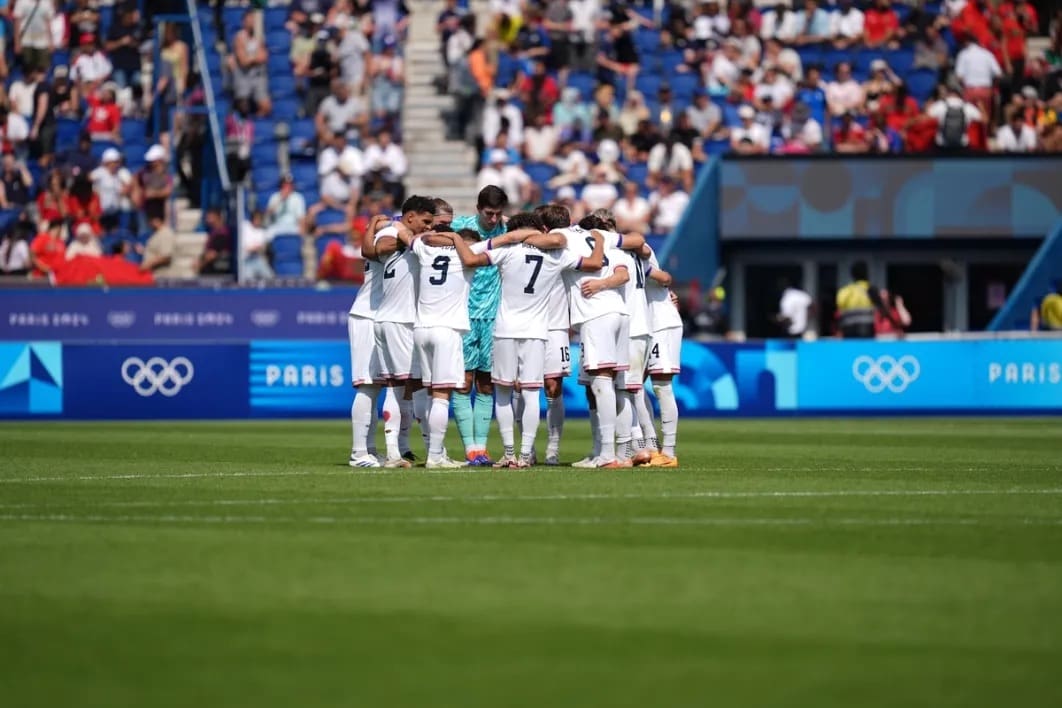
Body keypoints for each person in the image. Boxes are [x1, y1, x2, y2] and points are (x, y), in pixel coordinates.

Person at [448, 211, 603, 468]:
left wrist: (495, 238)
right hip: (537, 332)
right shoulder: (557, 256)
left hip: (505, 330)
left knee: (503, 394)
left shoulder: (507, 251)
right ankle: (524, 455)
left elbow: (470, 258)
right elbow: (595, 263)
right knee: (532, 394)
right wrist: (598, 240)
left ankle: (508, 453)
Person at [356, 197, 437, 468]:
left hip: (383, 314)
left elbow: (371, 248)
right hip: (372, 312)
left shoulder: (395, 231)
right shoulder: (394, 234)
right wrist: (398, 230)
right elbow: (371, 250)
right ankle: (365, 453)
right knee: (374, 385)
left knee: (392, 384)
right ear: (410, 217)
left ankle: (382, 450)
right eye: (425, 221)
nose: (430, 226)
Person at [448, 186, 509, 465]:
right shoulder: (459, 227)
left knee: (486, 384)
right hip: (463, 315)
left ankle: (481, 449)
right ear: (478, 209)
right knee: (463, 382)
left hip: (493, 318)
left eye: (498, 214)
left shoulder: (506, 230)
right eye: (489, 214)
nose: (494, 220)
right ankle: (469, 447)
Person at [835, 261, 896, 338]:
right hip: (867, 332)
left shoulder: (844, 292)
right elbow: (883, 310)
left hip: (848, 333)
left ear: (852, 274)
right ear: (866, 273)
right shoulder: (870, 290)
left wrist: (838, 331)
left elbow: (839, 314)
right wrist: (896, 326)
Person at [231, 10, 272, 117]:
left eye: (253, 20)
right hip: (243, 75)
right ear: (244, 22)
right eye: (250, 20)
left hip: (258, 75)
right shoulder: (239, 37)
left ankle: (255, 124)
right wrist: (255, 57)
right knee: (243, 106)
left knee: (266, 107)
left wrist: (251, 58)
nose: (252, 22)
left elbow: (264, 57)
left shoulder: (259, 37)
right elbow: (243, 61)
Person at [239, 209, 273, 281]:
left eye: (260, 219)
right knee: (247, 279)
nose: (258, 221)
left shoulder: (263, 232)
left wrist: (257, 249)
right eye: (256, 218)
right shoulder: (244, 226)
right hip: (244, 260)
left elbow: (262, 248)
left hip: (257, 259)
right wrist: (251, 249)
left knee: (270, 277)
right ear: (252, 218)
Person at [197, 208, 233, 275]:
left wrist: (200, 264)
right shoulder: (214, 232)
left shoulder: (223, 233)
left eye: (210, 217)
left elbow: (212, 254)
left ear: (217, 217)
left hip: (216, 272)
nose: (207, 220)